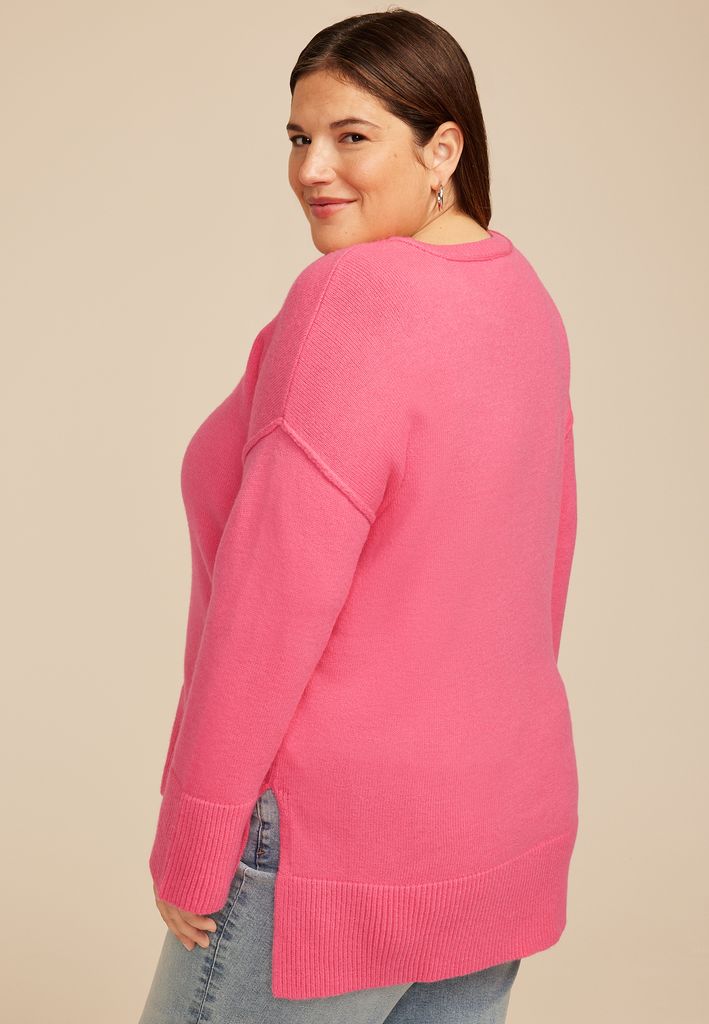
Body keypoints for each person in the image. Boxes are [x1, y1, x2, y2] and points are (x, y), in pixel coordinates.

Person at [139, 8, 579, 1023]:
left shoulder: (349, 296)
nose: (312, 170)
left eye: (351, 136)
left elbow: (271, 599)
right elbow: (542, 572)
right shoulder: (526, 301)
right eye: (299, 137)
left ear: (443, 148)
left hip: (332, 841)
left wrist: (196, 834)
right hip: (499, 820)